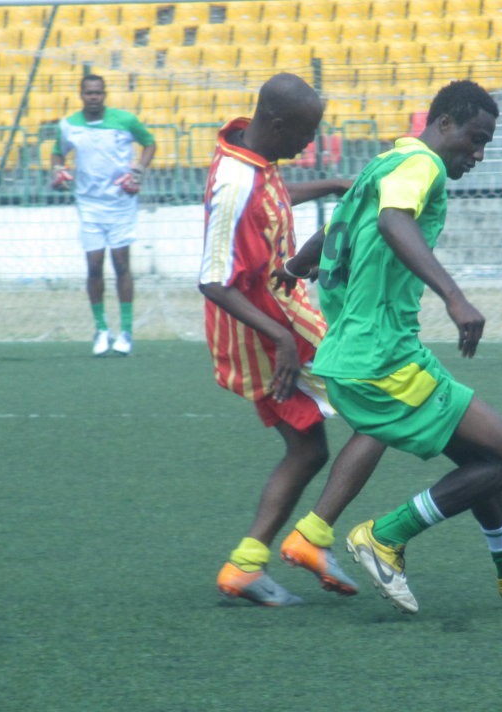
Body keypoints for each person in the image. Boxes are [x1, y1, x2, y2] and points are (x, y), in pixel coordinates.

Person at [285, 80, 502, 614]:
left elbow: (342, 222)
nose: (478, 154)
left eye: (486, 144)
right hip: (383, 357)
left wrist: (296, 265)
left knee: (482, 457)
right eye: (474, 138)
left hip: (356, 353)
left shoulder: (383, 163)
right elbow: (393, 220)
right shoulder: (423, 167)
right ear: (443, 125)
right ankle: (385, 536)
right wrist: (455, 298)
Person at [198, 73, 387, 607]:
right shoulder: (234, 185)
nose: (310, 144)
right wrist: (280, 338)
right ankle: (312, 537)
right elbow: (212, 278)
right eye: (305, 134)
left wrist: (329, 187)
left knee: (308, 450)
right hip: (272, 330)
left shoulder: (255, 160)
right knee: (389, 402)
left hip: (280, 319)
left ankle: (244, 567)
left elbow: (273, 202)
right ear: (277, 124)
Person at [50, 73, 157, 357]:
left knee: (122, 265)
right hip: (88, 204)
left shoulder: (124, 120)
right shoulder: (69, 125)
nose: (93, 97)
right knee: (94, 266)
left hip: (121, 203)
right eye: (88, 93)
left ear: (104, 94)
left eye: (98, 92)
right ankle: (100, 329)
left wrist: (138, 170)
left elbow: (149, 143)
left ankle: (126, 332)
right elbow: (57, 153)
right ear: (81, 94)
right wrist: (57, 170)